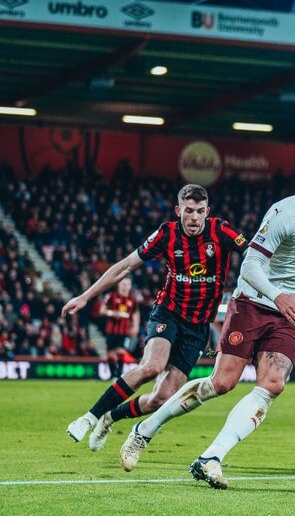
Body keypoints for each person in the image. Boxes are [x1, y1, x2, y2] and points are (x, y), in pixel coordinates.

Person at [118, 143, 295, 489]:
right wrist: (278, 296)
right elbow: (249, 265)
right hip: (253, 304)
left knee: (273, 384)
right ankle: (144, 429)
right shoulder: (284, 213)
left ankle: (211, 457)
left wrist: (291, 301)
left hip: (287, 313)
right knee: (221, 384)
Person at [63, 184, 247, 451]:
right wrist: (85, 296)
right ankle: (88, 417)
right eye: (188, 211)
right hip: (168, 312)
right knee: (151, 366)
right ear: (178, 211)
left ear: (207, 211)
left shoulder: (222, 231)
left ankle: (110, 417)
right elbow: (125, 266)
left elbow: (255, 254)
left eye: (199, 211)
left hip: (198, 327)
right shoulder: (166, 234)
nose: (194, 218)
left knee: (162, 399)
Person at [99, 277, 140, 379]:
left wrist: (135, 327)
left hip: (124, 331)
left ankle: (119, 375)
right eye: (123, 284)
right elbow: (102, 310)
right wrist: (112, 313)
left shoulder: (132, 301)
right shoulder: (111, 296)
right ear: (118, 285)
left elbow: (135, 314)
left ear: (130, 287)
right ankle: (113, 375)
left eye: (127, 284)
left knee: (121, 351)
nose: (125, 286)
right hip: (111, 330)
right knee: (110, 354)